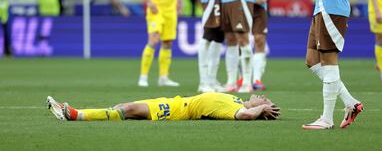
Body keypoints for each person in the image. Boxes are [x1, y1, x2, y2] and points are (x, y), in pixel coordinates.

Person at [292, 0, 363, 129]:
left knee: (329, 62)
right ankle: (350, 102)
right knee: (311, 60)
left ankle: (327, 119)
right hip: (323, 7)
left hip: (333, 7)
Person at [46, 92, 280, 121]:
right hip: (173, 101)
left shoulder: (236, 109)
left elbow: (246, 116)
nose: (261, 97)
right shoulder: (236, 100)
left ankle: (74, 114)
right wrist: (261, 107)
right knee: (121, 105)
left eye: (264, 100)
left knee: (126, 111)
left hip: (177, 110)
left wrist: (260, 111)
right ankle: (76, 112)